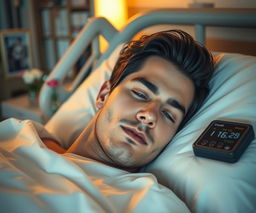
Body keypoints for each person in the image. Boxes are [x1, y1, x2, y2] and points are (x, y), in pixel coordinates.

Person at [43, 29, 214, 171]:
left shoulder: (155, 205)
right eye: (140, 94)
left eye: (169, 114)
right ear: (103, 95)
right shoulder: (23, 141)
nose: (150, 116)